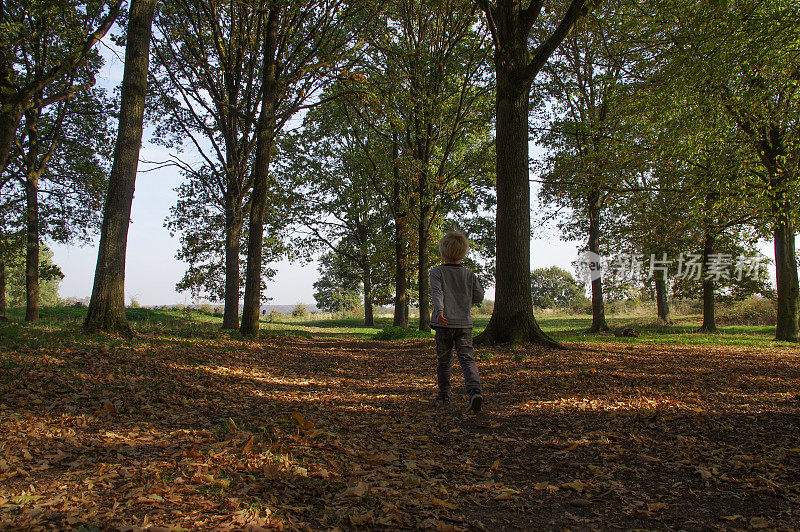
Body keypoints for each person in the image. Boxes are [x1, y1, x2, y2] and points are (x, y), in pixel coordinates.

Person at [430, 231, 484, 413]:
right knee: (468, 360)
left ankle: (444, 395)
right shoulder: (469, 274)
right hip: (464, 324)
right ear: (464, 252)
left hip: (443, 323)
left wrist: (439, 312)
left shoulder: (437, 272)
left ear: (442, 251)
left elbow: (437, 293)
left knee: (444, 361)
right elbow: (479, 296)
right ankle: (475, 391)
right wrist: (465, 301)